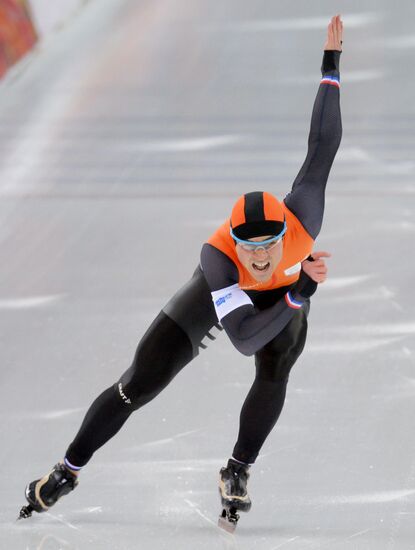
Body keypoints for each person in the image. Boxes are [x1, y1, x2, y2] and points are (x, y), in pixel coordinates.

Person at [19, 14, 343, 521]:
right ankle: (67, 467)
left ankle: (237, 468)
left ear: (285, 233)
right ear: (235, 241)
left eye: (269, 246)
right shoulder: (219, 259)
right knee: (139, 383)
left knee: (279, 362)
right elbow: (242, 337)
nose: (259, 256)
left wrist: (331, 67)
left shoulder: (304, 214)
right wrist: (298, 290)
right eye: (249, 247)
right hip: (229, 300)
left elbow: (322, 147)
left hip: (281, 299)